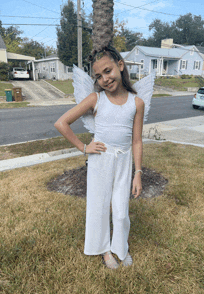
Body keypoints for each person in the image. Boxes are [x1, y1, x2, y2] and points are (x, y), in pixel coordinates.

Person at [54, 45, 144, 269]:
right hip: (100, 162)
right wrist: (84, 148)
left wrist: (138, 173)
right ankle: (104, 250)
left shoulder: (137, 103)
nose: (104, 78)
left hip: (124, 162)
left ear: (120, 66)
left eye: (108, 71)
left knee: (121, 212)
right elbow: (61, 123)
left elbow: (137, 141)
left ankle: (120, 247)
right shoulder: (96, 98)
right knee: (100, 206)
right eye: (98, 76)